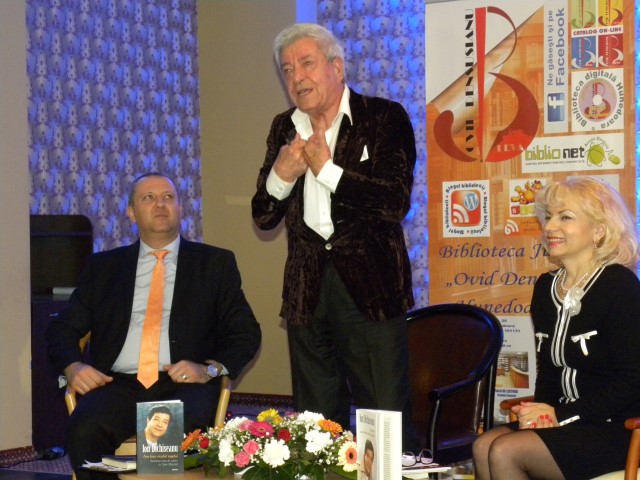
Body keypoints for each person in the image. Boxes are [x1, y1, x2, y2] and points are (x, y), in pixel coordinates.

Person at [251, 23, 418, 451]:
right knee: (315, 425)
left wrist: (326, 171)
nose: (297, 77)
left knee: (384, 420)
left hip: (372, 290)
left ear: (337, 67)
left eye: (307, 64)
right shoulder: (283, 127)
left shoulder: (383, 117)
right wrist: (281, 176)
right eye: (288, 69)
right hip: (306, 293)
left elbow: (393, 202)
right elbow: (263, 215)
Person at [47, 172, 261, 480]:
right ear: (131, 212)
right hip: (117, 384)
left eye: (168, 197)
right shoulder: (104, 267)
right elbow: (62, 329)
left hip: (183, 384)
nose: (160, 204)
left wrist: (209, 370)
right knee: (84, 428)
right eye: (148, 198)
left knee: (163, 434)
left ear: (180, 209)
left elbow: (245, 331)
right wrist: (73, 367)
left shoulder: (214, 264)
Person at [472, 176, 640, 479]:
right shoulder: (545, 286)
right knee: (483, 444)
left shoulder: (619, 285)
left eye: (565, 217)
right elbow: (549, 370)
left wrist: (559, 415)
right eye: (548, 217)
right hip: (566, 421)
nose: (549, 226)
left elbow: (631, 382)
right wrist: (539, 411)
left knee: (505, 449)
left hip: (616, 426)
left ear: (599, 230)